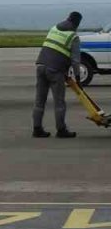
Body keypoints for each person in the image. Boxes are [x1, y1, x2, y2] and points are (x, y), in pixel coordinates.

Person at [34, 11, 82, 139]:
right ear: (77, 23)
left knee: (39, 101)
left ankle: (37, 129)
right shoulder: (73, 37)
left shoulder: (54, 28)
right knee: (59, 102)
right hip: (55, 71)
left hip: (40, 66)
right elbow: (75, 61)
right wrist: (78, 78)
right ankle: (61, 130)